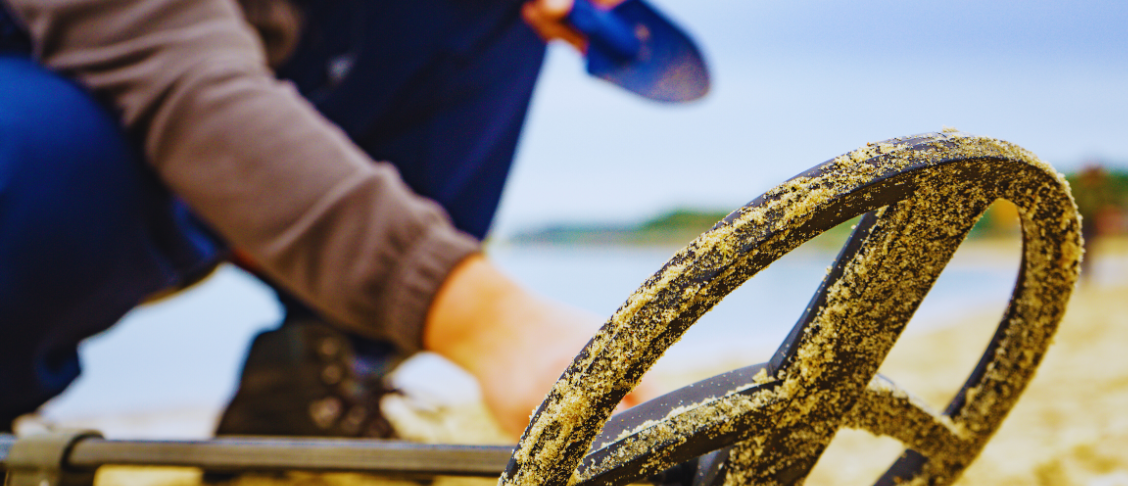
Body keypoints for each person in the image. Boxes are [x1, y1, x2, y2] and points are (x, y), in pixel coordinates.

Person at [0, 0, 655, 443]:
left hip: (247, 98)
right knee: (37, 148)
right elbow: (180, 79)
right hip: (78, 112)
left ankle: (322, 374)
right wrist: (491, 324)